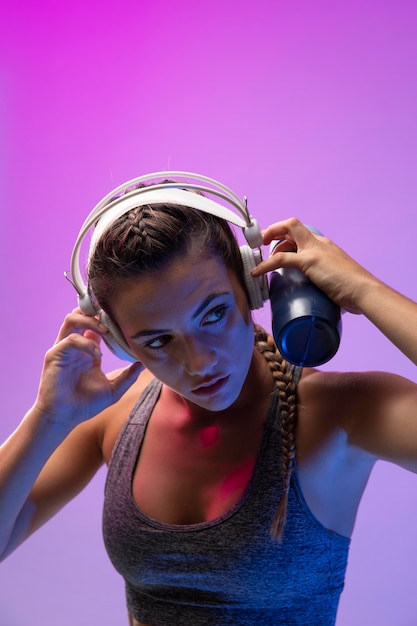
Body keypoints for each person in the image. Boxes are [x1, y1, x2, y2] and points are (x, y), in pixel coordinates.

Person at [1, 172, 417, 626]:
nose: (199, 362)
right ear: (119, 342)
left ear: (254, 287)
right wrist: (49, 417)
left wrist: (363, 289)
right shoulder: (113, 414)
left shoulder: (341, 415)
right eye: (158, 341)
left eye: (214, 313)